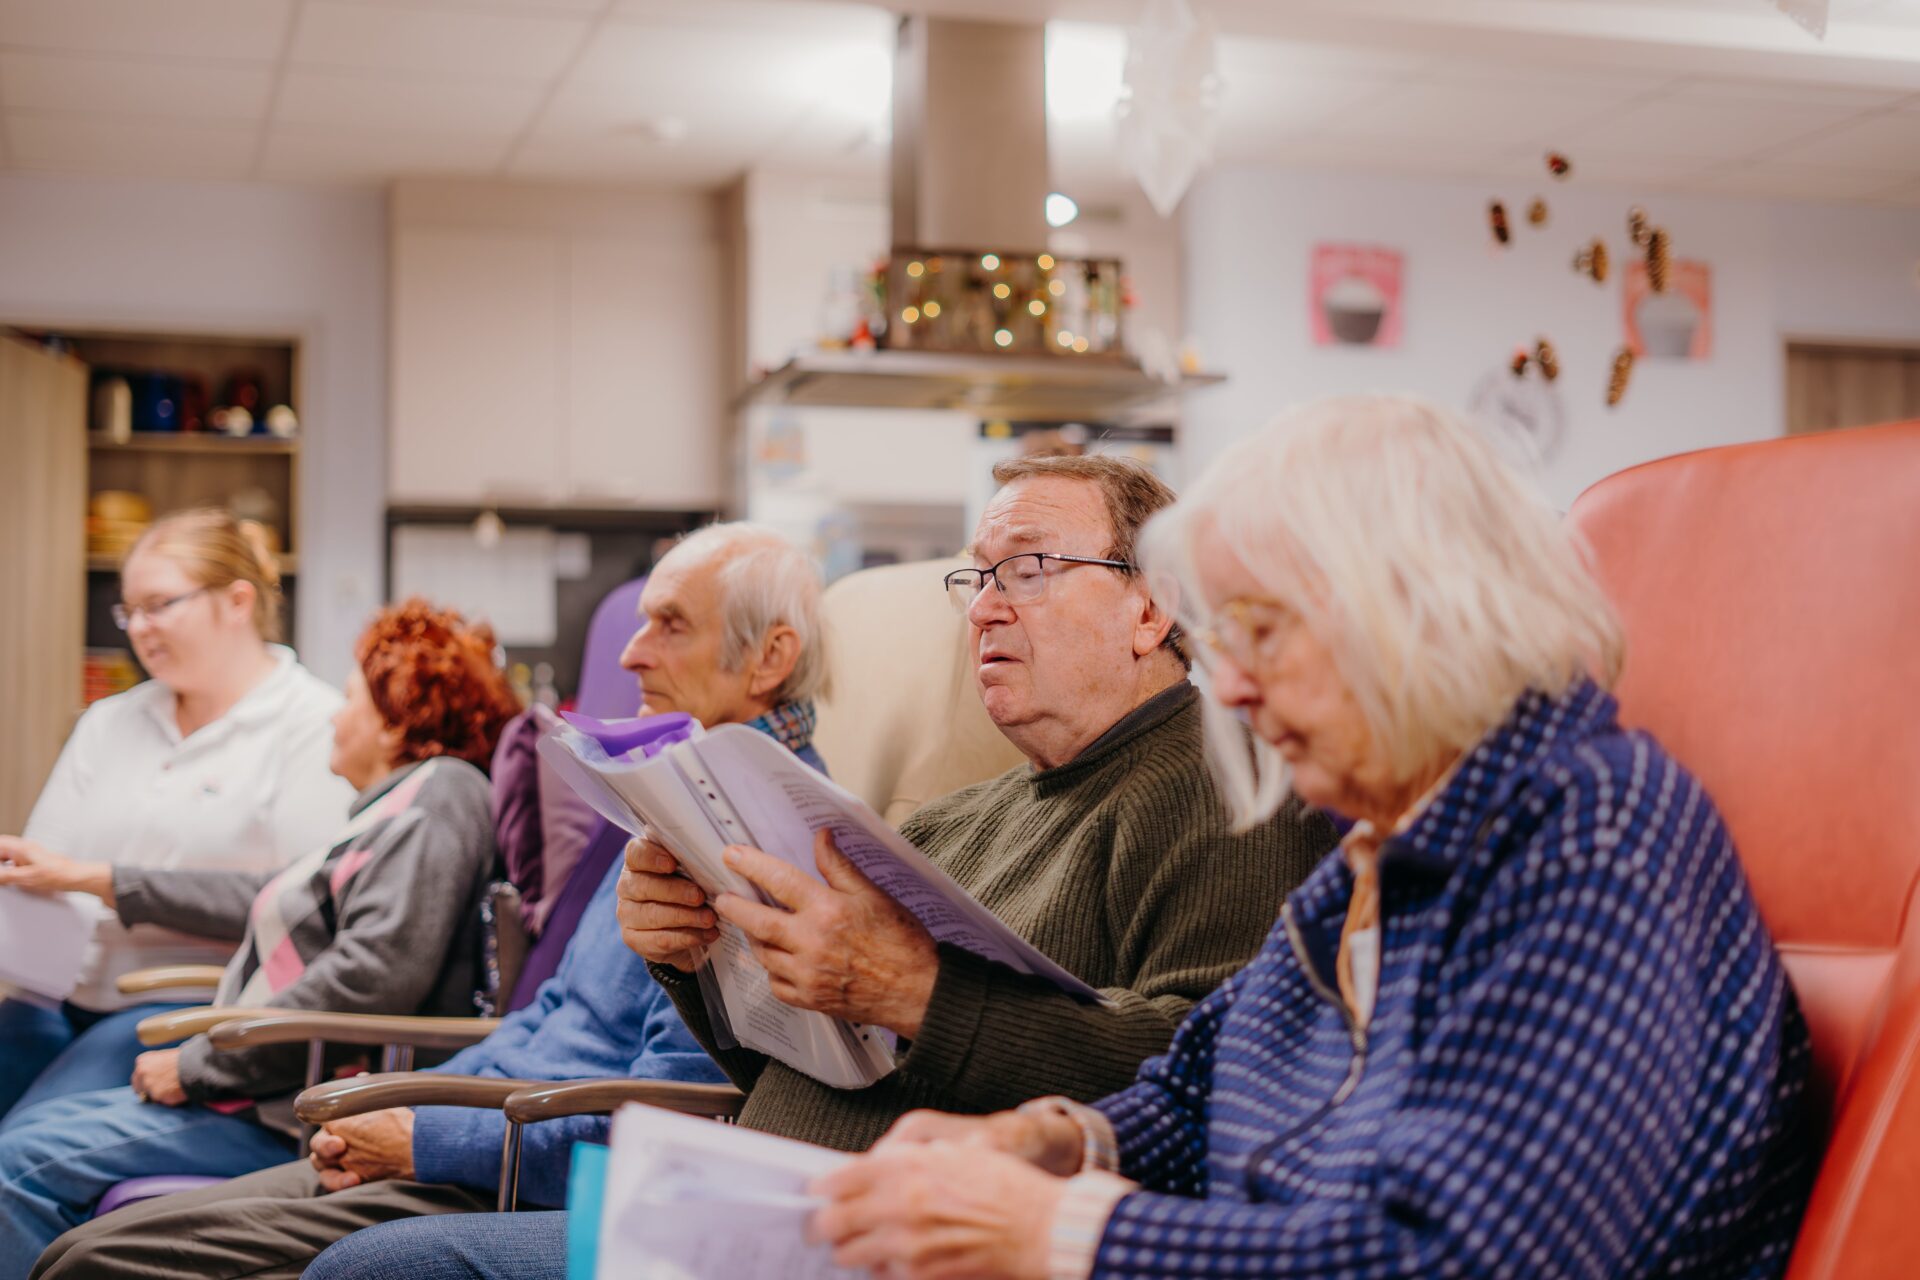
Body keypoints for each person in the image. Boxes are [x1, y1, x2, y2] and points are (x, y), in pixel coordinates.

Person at [807, 395, 1816, 1280]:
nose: (1232, 686)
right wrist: (1057, 1141)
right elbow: (1199, 1082)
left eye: (1265, 628)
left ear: (1418, 610)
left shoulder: (1594, 831)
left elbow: (1461, 1256)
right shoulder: (1377, 851)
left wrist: (1064, 1232)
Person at [297, 456, 1339, 1280]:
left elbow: (1206, 1070)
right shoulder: (949, 818)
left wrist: (917, 992)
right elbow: (799, 1057)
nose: (980, 607)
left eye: (1025, 568)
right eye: (975, 577)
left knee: (370, 1267)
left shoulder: (1227, 787)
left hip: (881, 1232)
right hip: (749, 1193)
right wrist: (693, 958)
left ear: (1152, 607)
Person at [27, 523, 829, 1280]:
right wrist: (404, 1112)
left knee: (95, 1260)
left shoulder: (757, 846)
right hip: (478, 1129)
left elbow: (666, 1117)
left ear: (768, 659)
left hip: (503, 1168)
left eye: (670, 625)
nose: (629, 652)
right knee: (85, 1248)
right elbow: (544, 1018)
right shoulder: (674, 811)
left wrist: (422, 1136)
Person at [0, 600, 519, 1279]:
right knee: (25, 1139)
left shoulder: (440, 796)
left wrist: (200, 1065)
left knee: (14, 1168)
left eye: (353, 698)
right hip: (265, 1090)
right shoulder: (392, 812)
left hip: (285, 1109)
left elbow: (372, 977)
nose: (335, 715)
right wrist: (102, 879)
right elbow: (261, 898)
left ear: (401, 716)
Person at [0, 510, 351, 1117]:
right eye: (128, 610)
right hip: (59, 996)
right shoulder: (109, 722)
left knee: (22, 1145)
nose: (139, 628)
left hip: (184, 1010)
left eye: (159, 605)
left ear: (237, 601)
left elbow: (298, 906)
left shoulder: (313, 725)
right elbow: (46, 869)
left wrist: (102, 881)